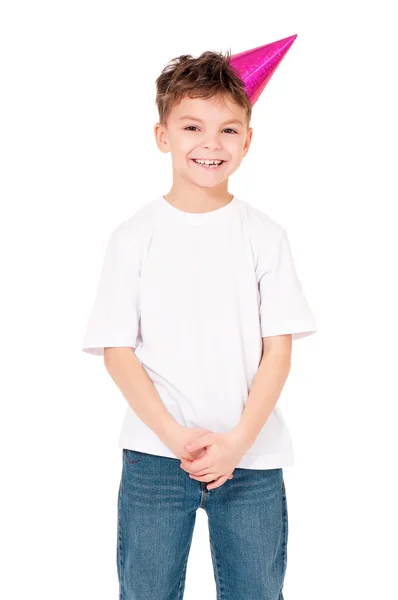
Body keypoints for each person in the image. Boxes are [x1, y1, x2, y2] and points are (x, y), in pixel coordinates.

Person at [82, 44, 317, 600]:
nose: (210, 144)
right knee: (147, 591)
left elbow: (278, 353)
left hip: (253, 457)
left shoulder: (264, 236)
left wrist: (236, 442)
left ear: (248, 140)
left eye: (228, 130)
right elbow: (118, 351)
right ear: (163, 135)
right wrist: (175, 436)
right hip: (156, 458)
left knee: (258, 590)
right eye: (192, 126)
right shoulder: (133, 238)